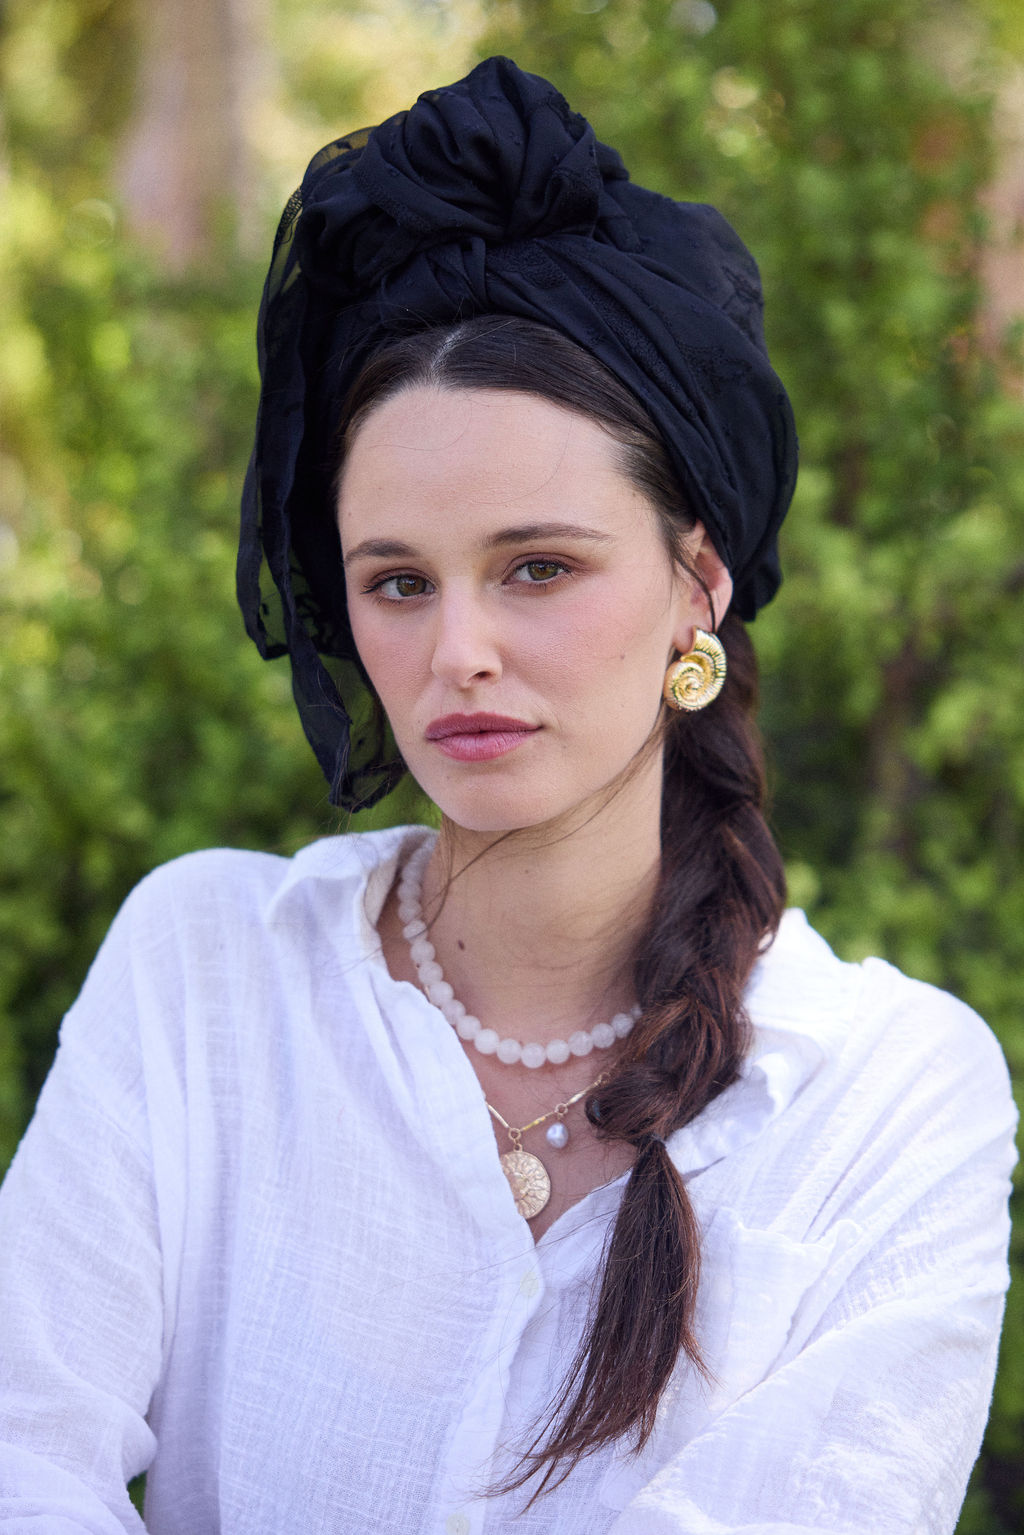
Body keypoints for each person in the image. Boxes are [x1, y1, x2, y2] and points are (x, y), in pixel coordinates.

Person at [0, 56, 1016, 1535]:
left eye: (538, 567)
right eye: (398, 582)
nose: (456, 651)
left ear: (697, 584)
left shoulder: (885, 1095)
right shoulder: (205, 971)